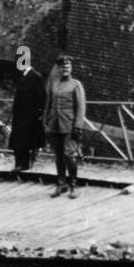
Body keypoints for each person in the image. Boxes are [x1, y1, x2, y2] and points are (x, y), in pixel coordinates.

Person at [43, 54, 87, 198]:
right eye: (62, 67)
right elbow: (48, 104)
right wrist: (46, 121)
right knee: (58, 156)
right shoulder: (55, 84)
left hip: (69, 125)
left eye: (67, 67)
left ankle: (73, 185)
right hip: (54, 124)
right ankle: (61, 184)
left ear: (71, 68)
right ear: (59, 69)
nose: (65, 69)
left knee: (69, 155)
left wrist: (78, 126)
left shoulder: (76, 85)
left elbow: (81, 107)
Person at [9, 58, 45, 171]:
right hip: (20, 116)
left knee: (26, 141)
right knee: (19, 140)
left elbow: (42, 97)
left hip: (30, 116)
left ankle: (24, 164)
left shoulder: (35, 76)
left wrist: (39, 113)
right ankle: (19, 163)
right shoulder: (23, 76)